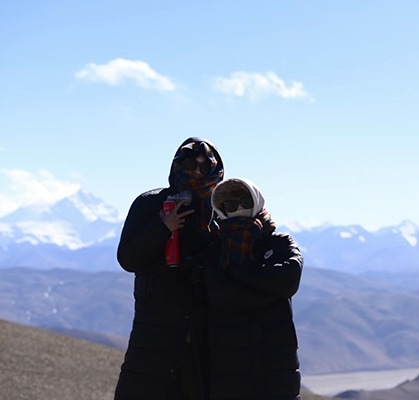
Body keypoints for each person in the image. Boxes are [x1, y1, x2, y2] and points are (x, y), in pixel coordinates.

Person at [114, 138, 224, 400]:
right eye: (189, 163)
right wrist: (163, 228)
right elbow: (128, 259)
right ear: (176, 165)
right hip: (155, 333)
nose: (196, 171)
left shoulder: (221, 210)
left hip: (204, 336)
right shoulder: (151, 204)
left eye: (204, 165)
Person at [203, 177, 303, 400]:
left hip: (276, 368)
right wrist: (267, 288)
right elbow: (220, 295)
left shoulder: (280, 243)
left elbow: (287, 281)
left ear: (257, 201)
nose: (238, 208)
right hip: (229, 372)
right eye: (229, 205)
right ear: (220, 210)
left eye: (245, 201)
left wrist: (238, 272)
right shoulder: (214, 249)